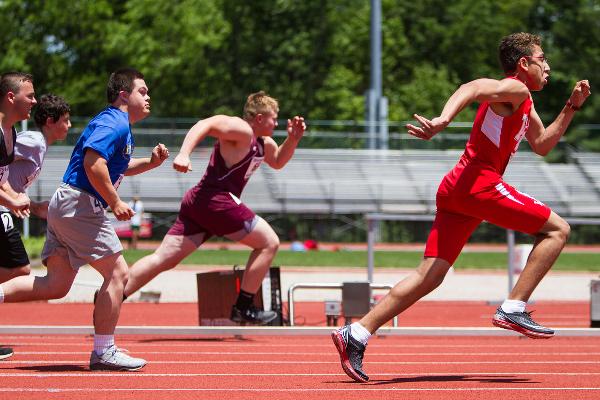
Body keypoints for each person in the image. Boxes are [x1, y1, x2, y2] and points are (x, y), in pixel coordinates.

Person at [332, 32, 591, 383]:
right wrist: (443, 119)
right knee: (558, 230)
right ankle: (513, 308)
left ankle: (358, 333)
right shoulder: (516, 89)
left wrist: (571, 106)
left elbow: (543, 145)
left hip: (459, 189)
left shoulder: (524, 102)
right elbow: (472, 87)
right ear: (523, 64)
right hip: (478, 184)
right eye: (542, 58)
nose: (548, 66)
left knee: (430, 274)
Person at [0, 68, 169, 371]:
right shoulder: (115, 122)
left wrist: (150, 163)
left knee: (56, 285)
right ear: (123, 94)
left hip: (67, 204)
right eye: (142, 91)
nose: (148, 97)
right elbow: (94, 163)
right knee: (118, 274)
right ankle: (104, 351)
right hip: (80, 206)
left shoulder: (116, 124)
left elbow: (118, 165)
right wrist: (115, 202)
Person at [122, 91, 305, 325]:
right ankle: (244, 307)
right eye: (274, 117)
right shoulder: (242, 130)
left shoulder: (263, 143)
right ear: (259, 118)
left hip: (201, 203)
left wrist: (294, 139)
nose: (277, 123)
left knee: (163, 259)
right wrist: (184, 154)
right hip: (216, 199)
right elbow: (205, 124)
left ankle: (113, 295)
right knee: (269, 242)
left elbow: (278, 161)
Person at [0, 72, 36, 361]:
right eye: (30, 95)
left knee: (19, 270)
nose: (34, 101)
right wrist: (12, 199)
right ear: (11, 97)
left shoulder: (10, 131)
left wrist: (13, 198)